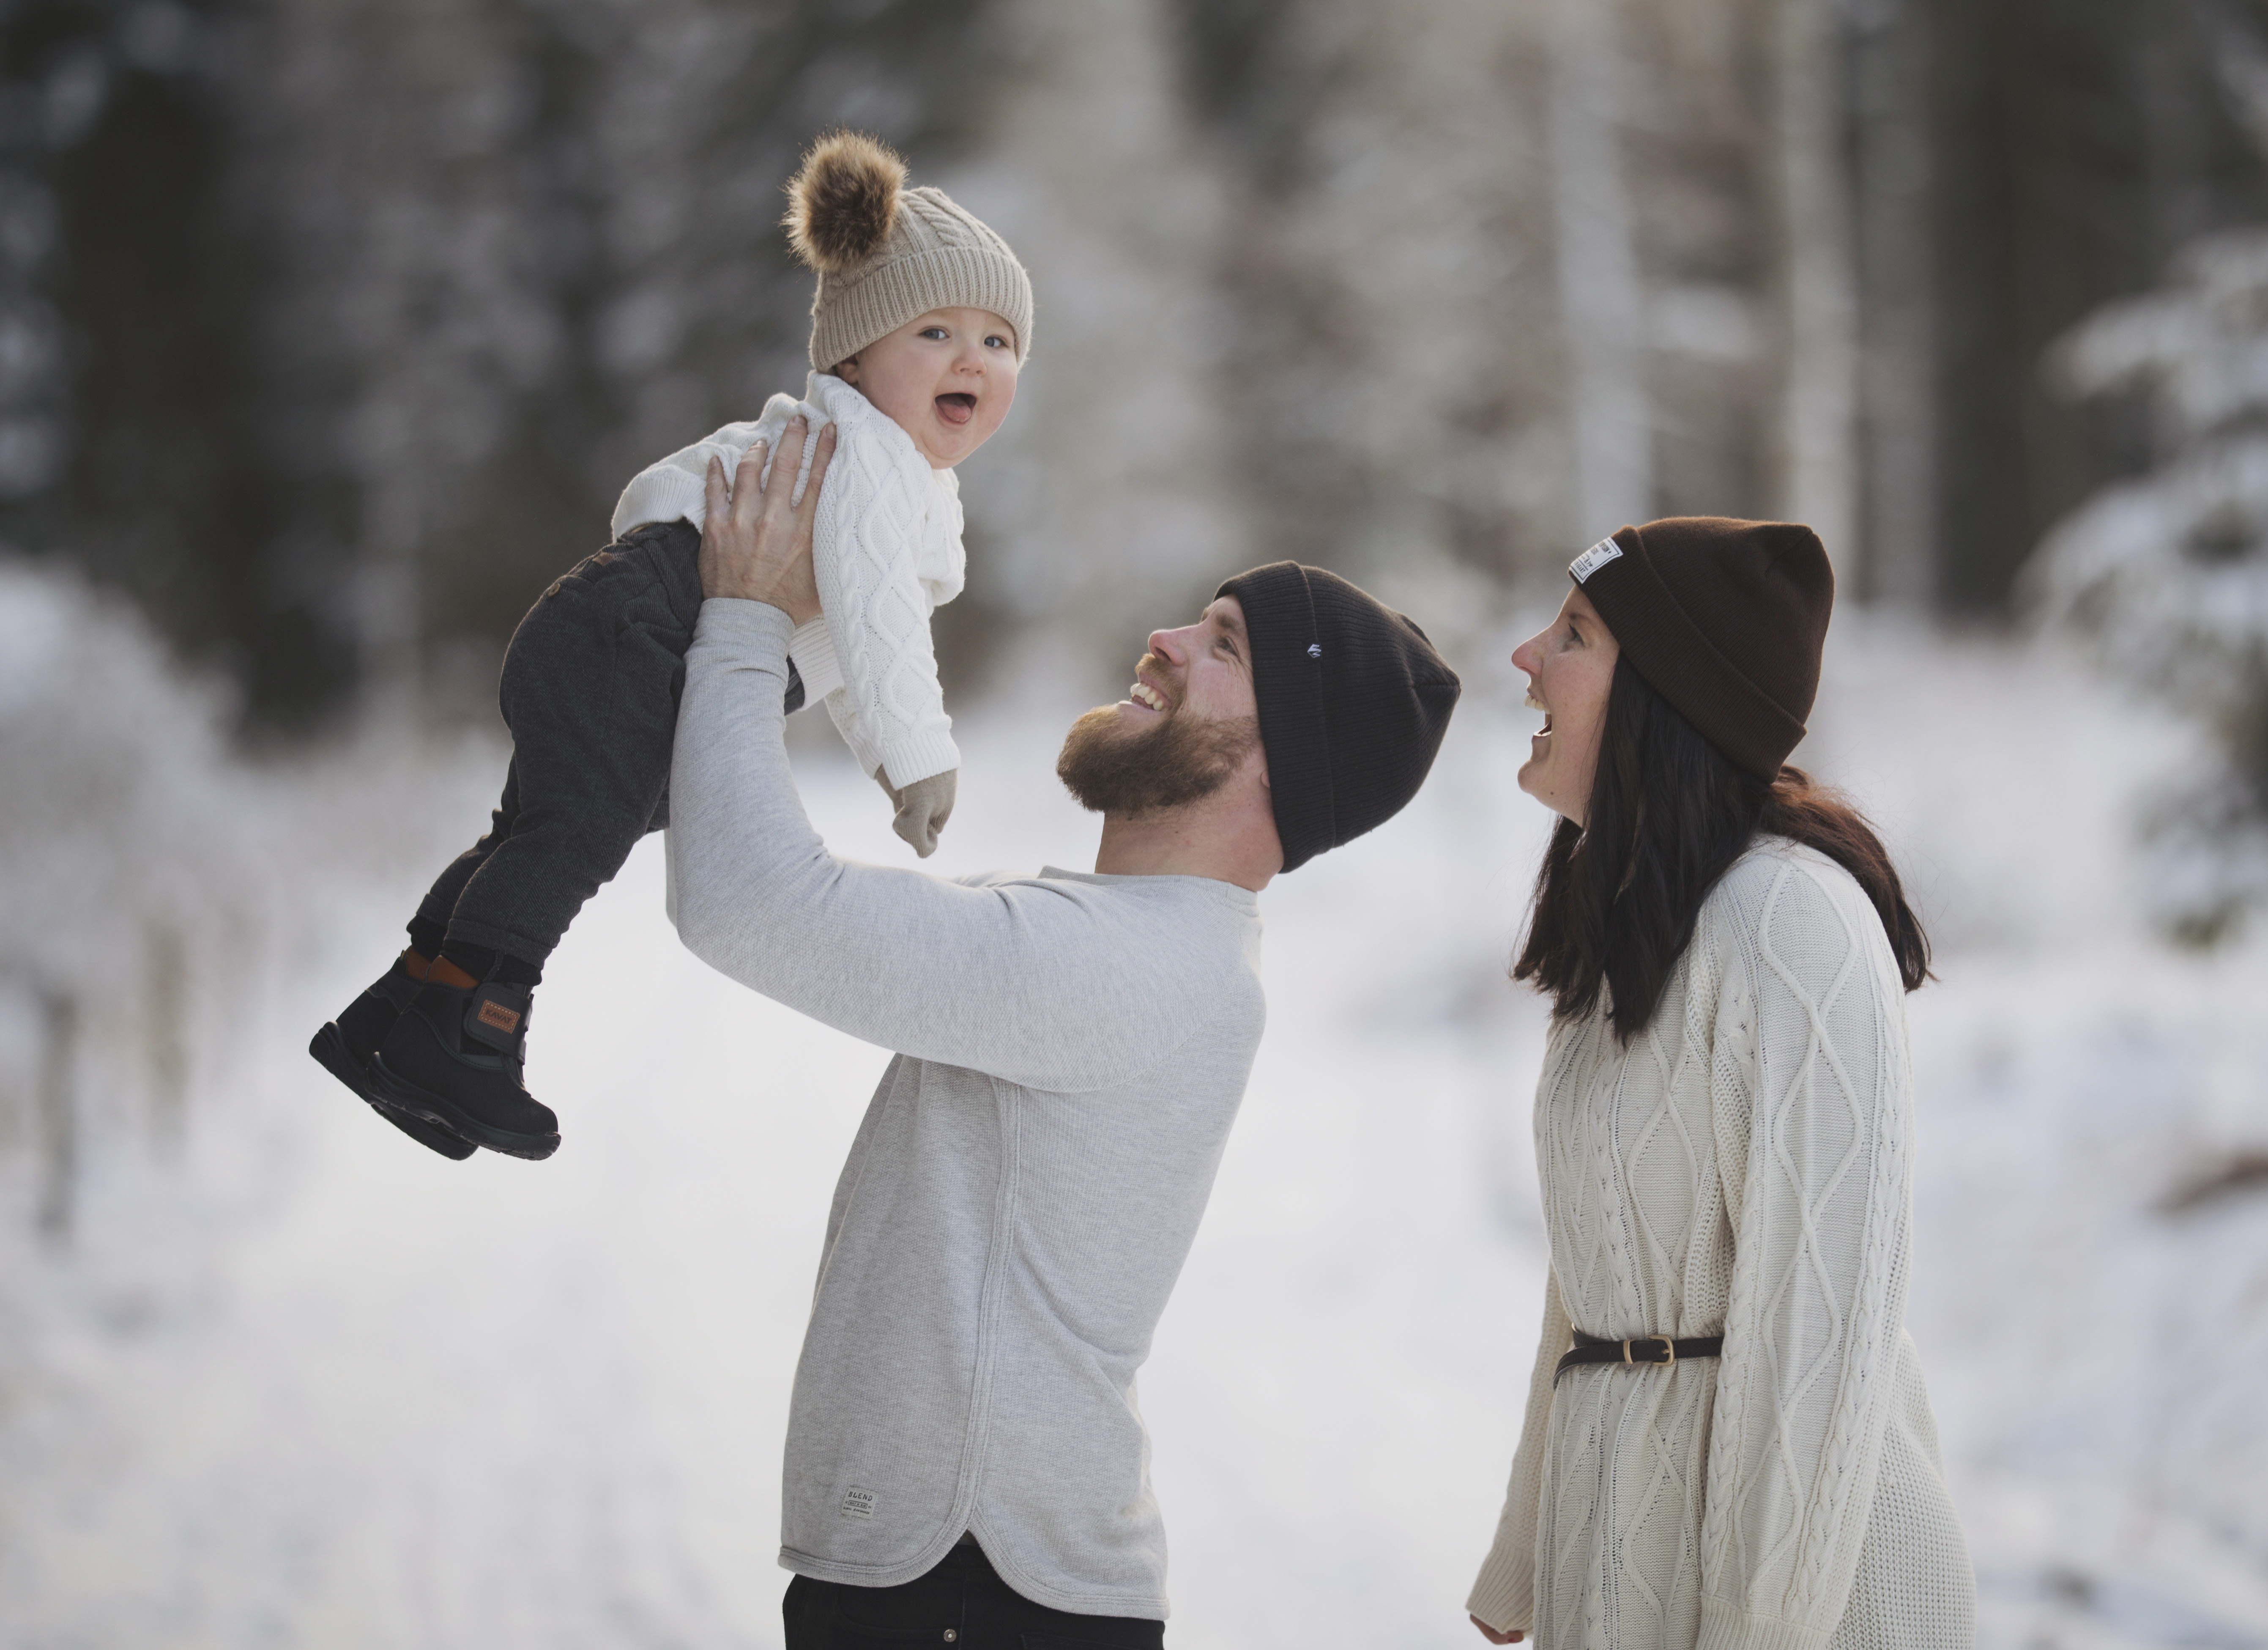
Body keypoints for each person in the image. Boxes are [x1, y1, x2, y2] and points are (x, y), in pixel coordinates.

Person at [676, 416, 1462, 1644]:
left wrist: (745, 617)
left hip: (969, 1588)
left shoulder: (1128, 967)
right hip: (959, 1579)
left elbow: (749, 899)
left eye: (1223, 646)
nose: (1162, 637)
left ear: (1280, 756)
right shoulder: (1130, 940)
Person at [309, 129, 1026, 1162]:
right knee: (576, 837)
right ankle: (472, 1032)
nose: (974, 358)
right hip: (637, 630)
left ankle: (405, 1008)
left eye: (999, 343)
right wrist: (917, 753)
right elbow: (876, 619)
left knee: (536, 831)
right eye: (937, 332)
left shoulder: (891, 473)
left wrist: (884, 755)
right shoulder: (865, 455)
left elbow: (865, 638)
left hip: (618, 628)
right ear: (853, 356)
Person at [1464, 520, 1975, 1648]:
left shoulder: (1792, 916)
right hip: (1619, 1540)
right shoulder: (1643, 927)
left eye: (1575, 633)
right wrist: (1523, 1551)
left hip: (1797, 1583)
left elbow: (1821, 1325)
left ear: (1665, 690)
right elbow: (1596, 1272)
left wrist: (1759, 1630)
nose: (1526, 656)